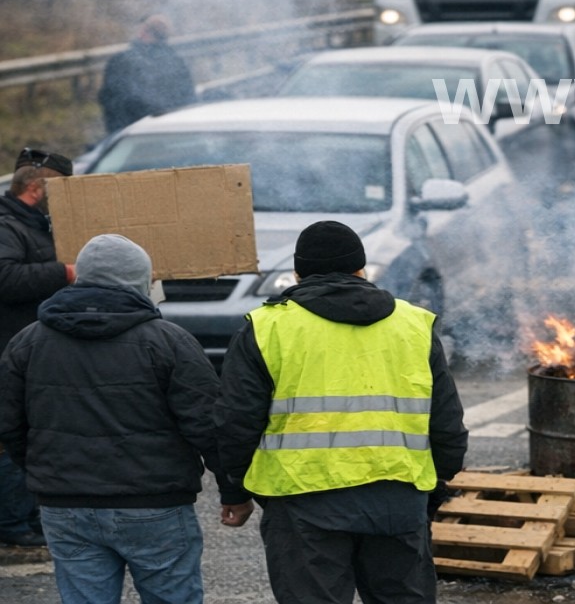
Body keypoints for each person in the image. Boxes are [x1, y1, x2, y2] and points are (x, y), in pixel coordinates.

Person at [213, 220, 466, 604]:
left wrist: (236, 489)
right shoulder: (414, 325)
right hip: (398, 501)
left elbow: (236, 423)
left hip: (302, 504)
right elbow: (447, 423)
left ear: (298, 274)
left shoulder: (268, 328)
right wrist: (435, 485)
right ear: (361, 270)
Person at [0, 234, 221, 604]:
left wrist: (43, 472)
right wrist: (234, 490)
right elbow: (208, 424)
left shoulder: (28, 342)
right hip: (155, 501)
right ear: (141, 280)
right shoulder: (169, 341)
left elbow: (10, 424)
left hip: (65, 503)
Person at [0, 147, 75, 548]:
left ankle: (28, 517)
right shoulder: (7, 226)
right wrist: (65, 272)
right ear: (36, 188)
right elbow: (5, 278)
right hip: (9, 350)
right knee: (13, 433)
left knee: (32, 432)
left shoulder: (33, 225)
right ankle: (13, 523)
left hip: (29, 348)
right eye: (61, 189)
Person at [98, 16, 197, 133]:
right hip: (170, 130)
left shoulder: (121, 61)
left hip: (132, 132)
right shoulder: (177, 62)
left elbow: (109, 97)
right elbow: (188, 98)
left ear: (143, 32)